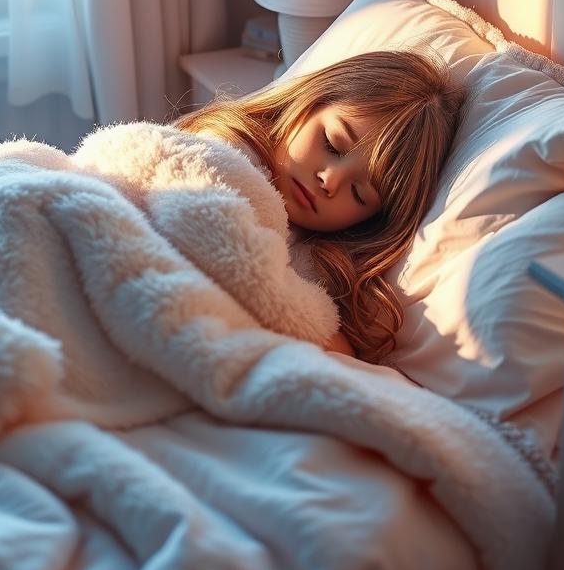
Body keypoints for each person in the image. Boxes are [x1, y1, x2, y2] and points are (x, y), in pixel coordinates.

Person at [174, 50, 463, 364]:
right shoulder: (224, 151)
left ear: (373, 218)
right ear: (308, 103)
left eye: (358, 194)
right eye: (332, 144)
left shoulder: (325, 267)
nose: (329, 180)